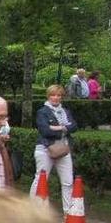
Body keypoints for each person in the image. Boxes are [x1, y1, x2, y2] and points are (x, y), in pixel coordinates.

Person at [29, 85, 78, 214]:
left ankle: (69, 212)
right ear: (48, 96)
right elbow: (45, 131)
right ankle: (33, 209)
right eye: (53, 95)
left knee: (68, 181)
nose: (56, 98)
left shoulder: (66, 111)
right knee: (41, 179)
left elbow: (74, 126)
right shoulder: (42, 112)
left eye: (58, 95)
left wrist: (56, 127)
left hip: (63, 148)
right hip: (45, 148)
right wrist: (62, 128)